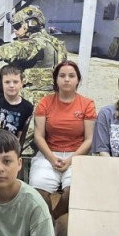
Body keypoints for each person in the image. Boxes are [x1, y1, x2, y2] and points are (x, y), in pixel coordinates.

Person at [31, 60, 97, 220]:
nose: (67, 79)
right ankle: (46, 225)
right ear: (56, 79)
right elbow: (38, 136)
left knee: (74, 192)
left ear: (78, 80)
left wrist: (70, 160)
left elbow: (89, 140)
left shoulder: (87, 104)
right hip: (48, 154)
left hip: (77, 155)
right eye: (62, 76)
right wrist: (52, 158)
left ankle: (52, 218)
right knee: (38, 191)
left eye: (71, 76)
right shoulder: (45, 102)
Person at [0, 65, 34, 144]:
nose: (11, 85)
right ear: (1, 83)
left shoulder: (27, 107)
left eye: (15, 82)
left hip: (10, 146)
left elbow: (20, 134)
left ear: (22, 83)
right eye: (7, 82)